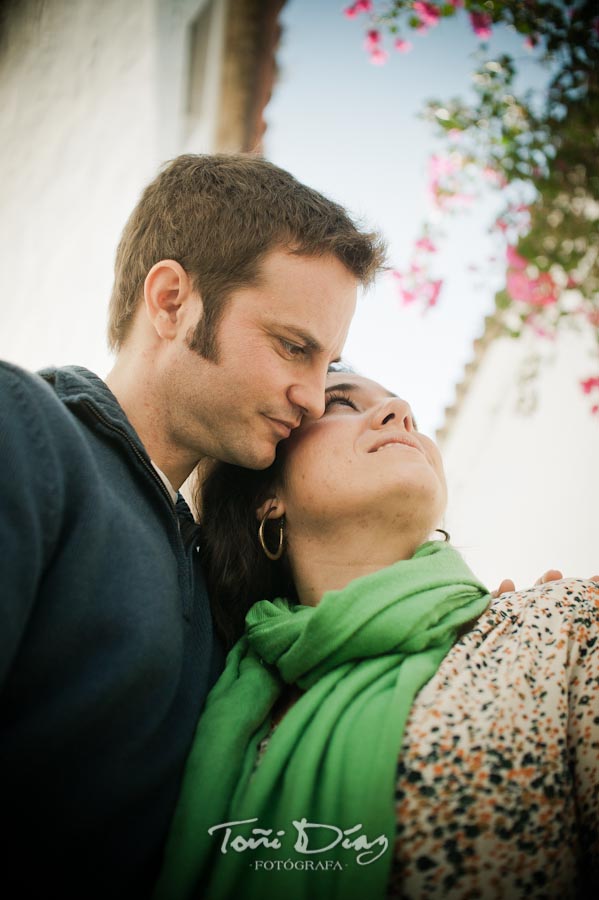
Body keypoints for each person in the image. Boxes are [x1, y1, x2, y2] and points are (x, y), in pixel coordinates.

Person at [0, 154, 385, 898]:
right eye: (292, 347)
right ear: (172, 300)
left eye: (328, 362)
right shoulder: (26, 436)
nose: (312, 398)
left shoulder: (222, 579)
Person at [154, 372, 599, 900]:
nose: (402, 411)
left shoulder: (560, 625)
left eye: (400, 405)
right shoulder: (217, 709)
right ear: (267, 497)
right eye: (340, 403)